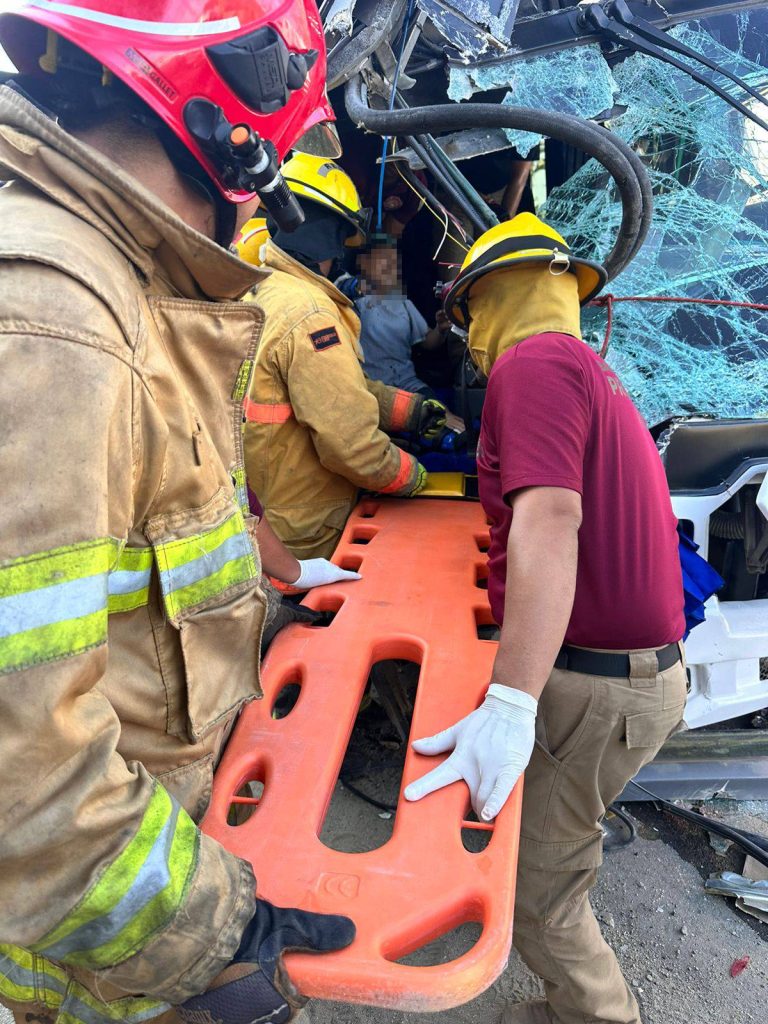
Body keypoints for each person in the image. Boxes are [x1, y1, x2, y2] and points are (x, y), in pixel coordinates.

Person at [0, 6, 356, 1024]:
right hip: (94, 967)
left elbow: (133, 558)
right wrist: (216, 935)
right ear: (234, 140)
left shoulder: (120, 288)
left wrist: (257, 611)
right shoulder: (58, 317)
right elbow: (22, 780)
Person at [405, 213, 687, 1024]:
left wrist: (512, 700)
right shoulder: (585, 366)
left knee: (536, 895)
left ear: (485, 301)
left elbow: (551, 518)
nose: (468, 339)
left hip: (593, 689)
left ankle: (596, 1017)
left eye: (466, 317)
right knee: (560, 856)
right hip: (629, 679)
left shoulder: (534, 364)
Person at [242, 153, 449, 560]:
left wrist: (411, 411)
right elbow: (351, 445)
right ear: (328, 234)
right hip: (314, 531)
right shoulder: (310, 313)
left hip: (274, 517)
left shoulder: (265, 293)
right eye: (341, 237)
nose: (340, 253)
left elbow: (342, 389)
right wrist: (413, 476)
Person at [355, 236, 460, 408]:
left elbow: (427, 342)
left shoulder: (402, 303)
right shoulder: (352, 302)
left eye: (393, 262)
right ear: (364, 263)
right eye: (382, 260)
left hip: (408, 385)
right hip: (373, 389)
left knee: (439, 412)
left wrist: (440, 329)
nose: (389, 267)